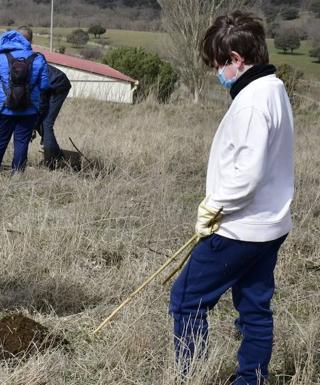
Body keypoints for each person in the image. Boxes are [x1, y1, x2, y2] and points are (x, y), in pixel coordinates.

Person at [169, 11, 294, 385]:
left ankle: (192, 376)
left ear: (236, 60)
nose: (216, 73)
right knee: (255, 308)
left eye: (217, 64)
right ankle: (251, 379)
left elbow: (249, 173)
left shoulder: (254, 102)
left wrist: (214, 206)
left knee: (187, 299)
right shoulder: (274, 88)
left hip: (240, 227)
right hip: (271, 223)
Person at [0, 26, 49, 175]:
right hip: (29, 109)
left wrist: (5, 96)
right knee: (21, 142)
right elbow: (45, 85)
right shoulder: (38, 58)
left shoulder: (2, 57)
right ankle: (17, 175)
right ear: (30, 40)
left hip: (5, 108)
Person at [34, 64, 71, 169]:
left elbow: (40, 105)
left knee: (46, 123)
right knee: (40, 122)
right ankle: (55, 154)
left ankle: (52, 161)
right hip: (50, 85)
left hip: (59, 85)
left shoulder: (30, 75)